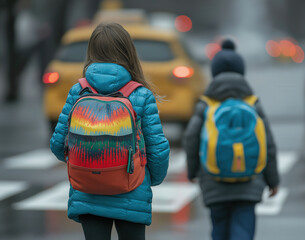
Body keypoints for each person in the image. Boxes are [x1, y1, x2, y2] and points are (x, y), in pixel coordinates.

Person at [50, 23, 170, 240]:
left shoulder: (78, 91)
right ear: (129, 52)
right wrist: (148, 179)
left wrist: (86, 163)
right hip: (131, 189)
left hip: (87, 191)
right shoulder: (140, 95)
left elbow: (58, 145)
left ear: (92, 51)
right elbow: (158, 151)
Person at [184, 39, 280, 240]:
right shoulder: (252, 102)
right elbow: (268, 143)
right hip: (249, 181)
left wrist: (192, 171)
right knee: (243, 230)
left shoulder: (206, 104)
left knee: (219, 227)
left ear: (214, 72)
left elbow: (191, 138)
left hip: (214, 179)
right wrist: (273, 180)